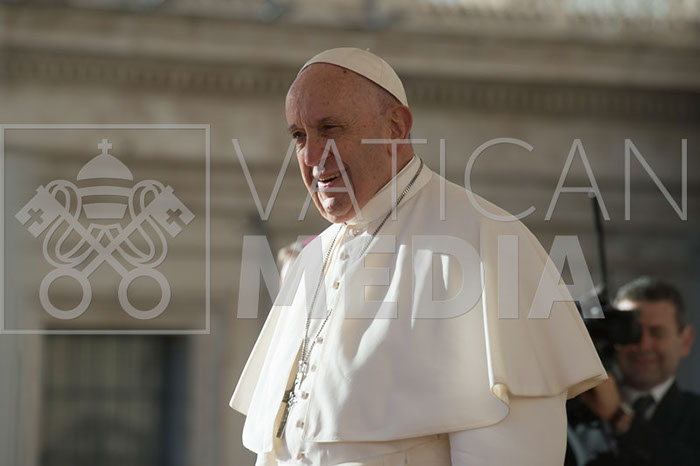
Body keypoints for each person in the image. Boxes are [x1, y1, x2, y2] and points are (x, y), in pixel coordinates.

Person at [230, 47, 607, 465]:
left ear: (395, 127)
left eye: (330, 128)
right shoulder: (311, 259)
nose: (311, 156)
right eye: (299, 136)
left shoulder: (488, 240)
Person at [571, 277, 700, 465]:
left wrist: (619, 418)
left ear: (686, 340)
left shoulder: (694, 416)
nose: (643, 345)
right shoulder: (576, 412)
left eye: (657, 333)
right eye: (631, 332)